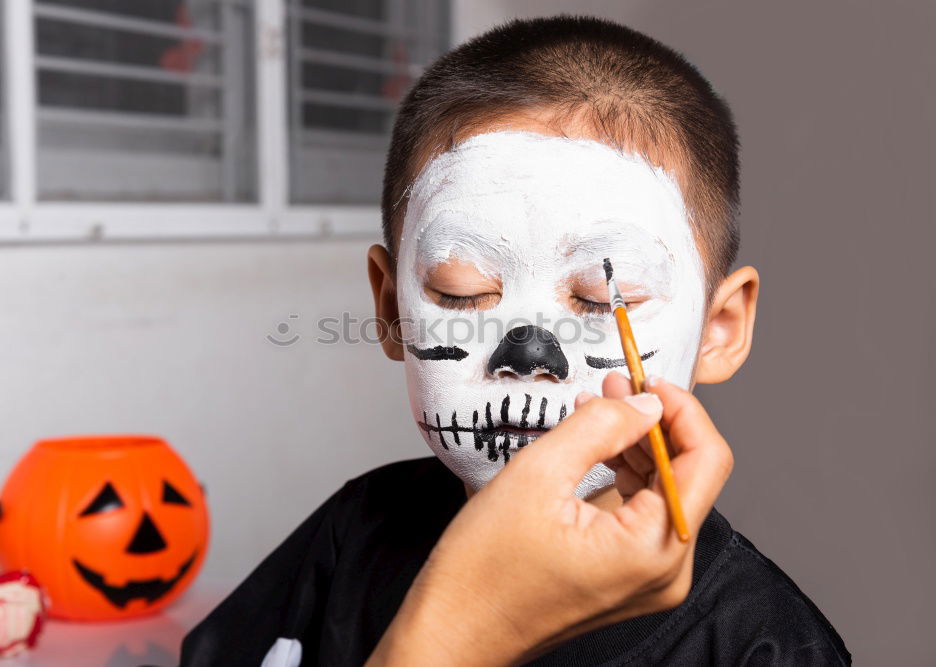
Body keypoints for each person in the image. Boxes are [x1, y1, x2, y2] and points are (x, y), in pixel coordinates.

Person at [180, 15, 850, 666]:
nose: (529, 355)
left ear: (719, 328)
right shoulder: (352, 534)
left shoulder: (765, 645)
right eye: (461, 288)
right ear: (389, 308)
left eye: (598, 298)